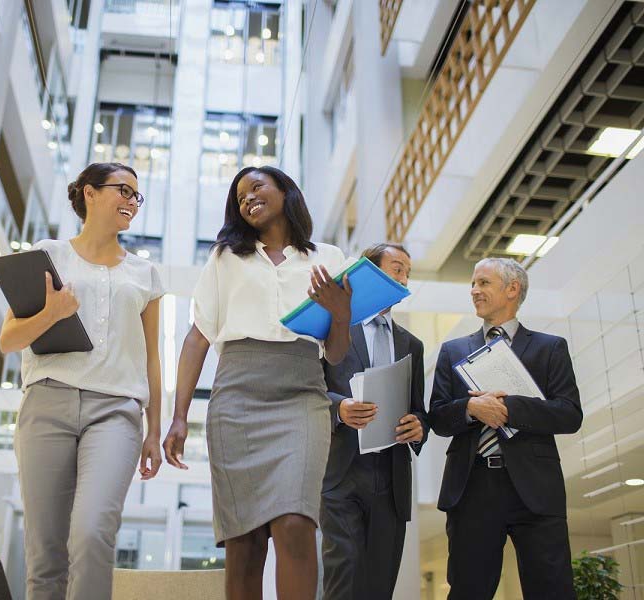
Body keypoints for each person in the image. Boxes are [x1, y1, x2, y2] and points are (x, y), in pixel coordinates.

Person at [162, 166, 352, 600]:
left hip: (303, 394)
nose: (248, 198)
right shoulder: (225, 258)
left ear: (285, 191)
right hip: (236, 398)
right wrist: (178, 416)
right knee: (243, 544)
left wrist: (340, 312)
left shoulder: (329, 257)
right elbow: (198, 337)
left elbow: (337, 353)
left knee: (296, 524)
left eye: (257, 187)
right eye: (240, 196)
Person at [0, 162, 164, 600]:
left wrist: (156, 429)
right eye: (122, 191)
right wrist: (52, 313)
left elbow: (151, 356)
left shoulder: (145, 274)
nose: (131, 201)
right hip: (47, 404)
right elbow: (7, 339)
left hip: (116, 412)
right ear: (89, 194)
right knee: (44, 552)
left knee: (92, 534)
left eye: (135, 195)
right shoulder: (47, 254)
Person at [429, 257, 582, 599]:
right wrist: (471, 408)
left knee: (552, 590)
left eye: (483, 283)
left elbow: (570, 414)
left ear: (512, 289)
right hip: (472, 487)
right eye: (473, 283)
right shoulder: (453, 350)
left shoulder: (550, 347)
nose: (474, 291)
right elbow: (437, 417)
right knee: (469, 590)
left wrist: (508, 407)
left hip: (536, 490)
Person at [320, 242, 429, 600]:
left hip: (392, 477)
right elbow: (308, 391)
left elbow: (419, 410)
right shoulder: (333, 328)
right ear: (370, 273)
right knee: (343, 574)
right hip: (342, 471)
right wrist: (340, 408)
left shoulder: (412, 344)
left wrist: (419, 427)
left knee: (380, 584)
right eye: (397, 268)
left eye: (407, 273)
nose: (404, 278)